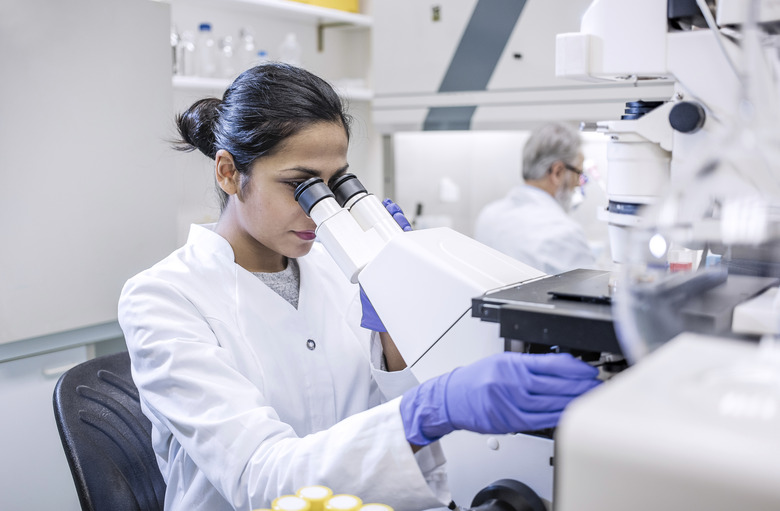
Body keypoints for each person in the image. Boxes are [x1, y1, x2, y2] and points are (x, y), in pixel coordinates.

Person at [118, 63, 600, 511]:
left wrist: (397, 316)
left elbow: (384, 426)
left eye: (335, 184)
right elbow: (260, 478)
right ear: (229, 172)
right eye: (299, 185)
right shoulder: (162, 298)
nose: (321, 207)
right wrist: (429, 409)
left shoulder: (335, 267)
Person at [474, 122, 597, 275]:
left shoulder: (489, 215)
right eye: (578, 173)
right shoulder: (565, 233)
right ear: (557, 172)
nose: (579, 182)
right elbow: (588, 295)